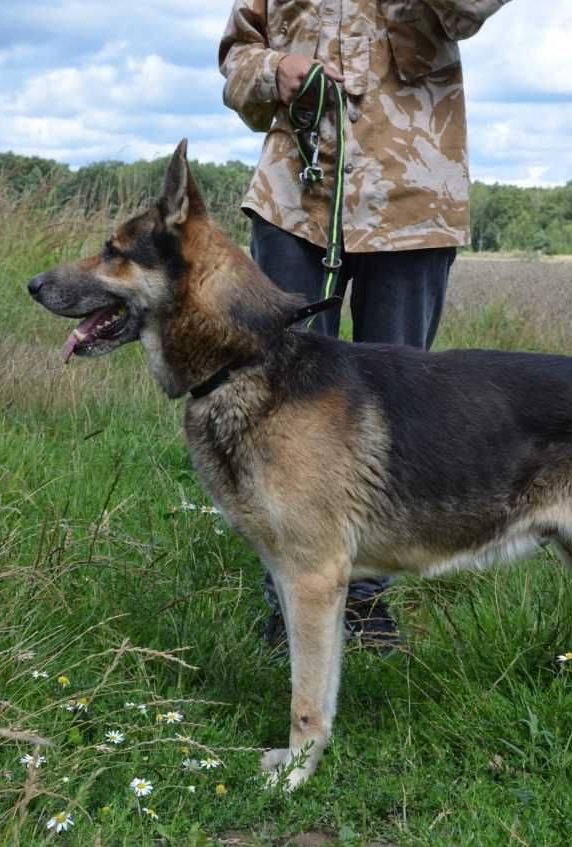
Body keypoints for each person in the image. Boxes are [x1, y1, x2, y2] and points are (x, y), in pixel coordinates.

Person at [218, 0, 511, 653]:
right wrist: (275, 70)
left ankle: (365, 602)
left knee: (394, 410)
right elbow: (235, 60)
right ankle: (287, 601)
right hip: (292, 198)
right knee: (281, 408)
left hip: (413, 199)